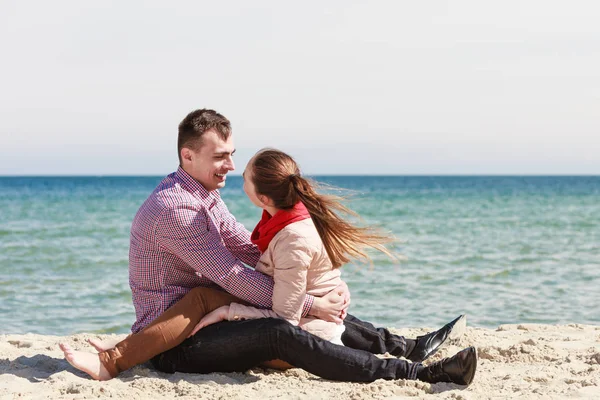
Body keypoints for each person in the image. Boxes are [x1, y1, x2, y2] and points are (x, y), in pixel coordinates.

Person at [60, 109, 476, 385]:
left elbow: (245, 248)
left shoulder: (203, 195)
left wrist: (313, 289)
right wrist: (310, 304)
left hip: (212, 317)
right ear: (187, 156)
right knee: (282, 330)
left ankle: (404, 346)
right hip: (176, 343)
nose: (230, 166)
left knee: (298, 304)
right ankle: (414, 372)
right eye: (220, 157)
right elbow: (230, 274)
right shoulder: (177, 209)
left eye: (232, 155)